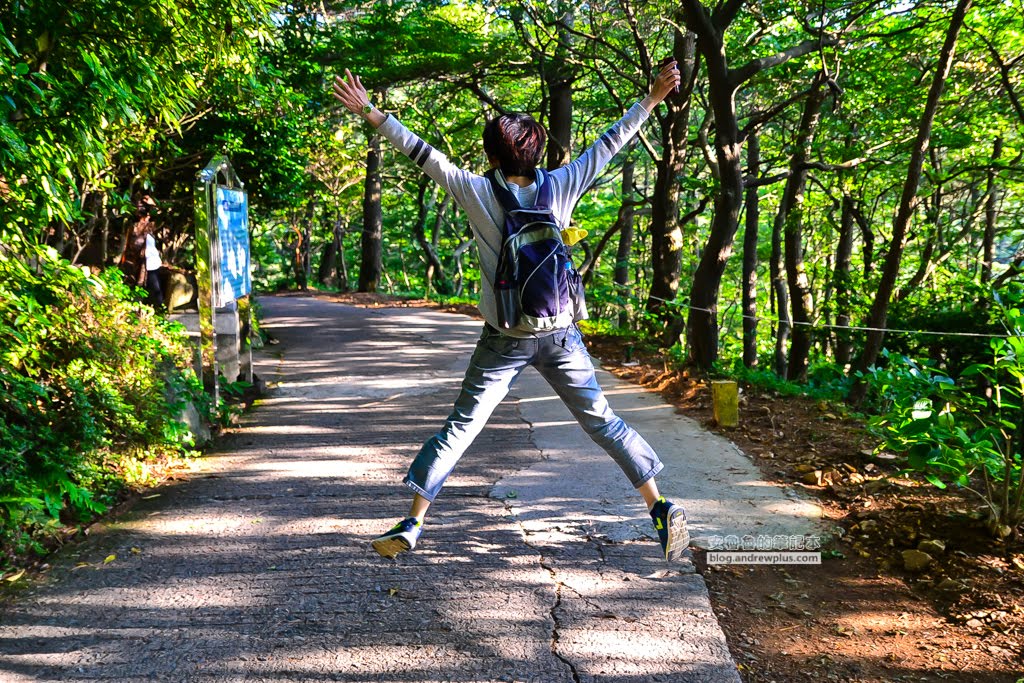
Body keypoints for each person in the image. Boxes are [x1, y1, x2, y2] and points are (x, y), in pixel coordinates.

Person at [331, 60, 689, 562]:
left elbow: (421, 153)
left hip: (504, 336)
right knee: (603, 420)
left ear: (492, 154)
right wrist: (651, 99)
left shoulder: (477, 191)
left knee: (462, 426)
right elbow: (610, 143)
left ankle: (413, 520)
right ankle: (660, 505)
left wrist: (370, 111)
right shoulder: (562, 184)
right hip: (561, 333)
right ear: (538, 150)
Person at [121, 193, 164, 310]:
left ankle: (160, 310)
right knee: (138, 287)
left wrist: (151, 203)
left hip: (151, 263)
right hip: (137, 262)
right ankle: (136, 311)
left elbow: (159, 214)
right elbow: (128, 245)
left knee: (155, 289)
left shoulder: (150, 226)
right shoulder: (133, 227)